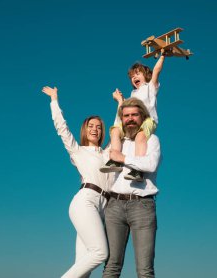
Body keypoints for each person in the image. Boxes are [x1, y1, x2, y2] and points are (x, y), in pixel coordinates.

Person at [42, 86, 111, 278]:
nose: (95, 129)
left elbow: (118, 131)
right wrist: (54, 101)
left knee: (84, 268)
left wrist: (121, 105)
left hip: (102, 208)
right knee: (100, 253)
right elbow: (62, 129)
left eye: (98, 127)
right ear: (85, 130)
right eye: (91, 126)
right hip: (85, 201)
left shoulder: (107, 154)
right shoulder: (78, 151)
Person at [102, 97, 161, 278]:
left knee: (144, 270)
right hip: (114, 205)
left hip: (142, 205)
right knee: (111, 266)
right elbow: (104, 161)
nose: (130, 119)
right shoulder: (117, 142)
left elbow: (150, 165)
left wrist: (123, 159)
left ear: (142, 117)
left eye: (134, 115)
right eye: (126, 116)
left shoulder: (152, 140)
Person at [100, 51, 167, 182]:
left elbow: (157, 71)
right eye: (132, 76)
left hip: (147, 121)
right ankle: (115, 161)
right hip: (132, 122)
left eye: (137, 74)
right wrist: (120, 100)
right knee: (114, 130)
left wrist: (163, 55)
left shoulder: (150, 88)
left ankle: (138, 170)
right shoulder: (132, 95)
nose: (134, 77)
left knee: (140, 136)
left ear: (146, 75)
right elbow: (123, 114)